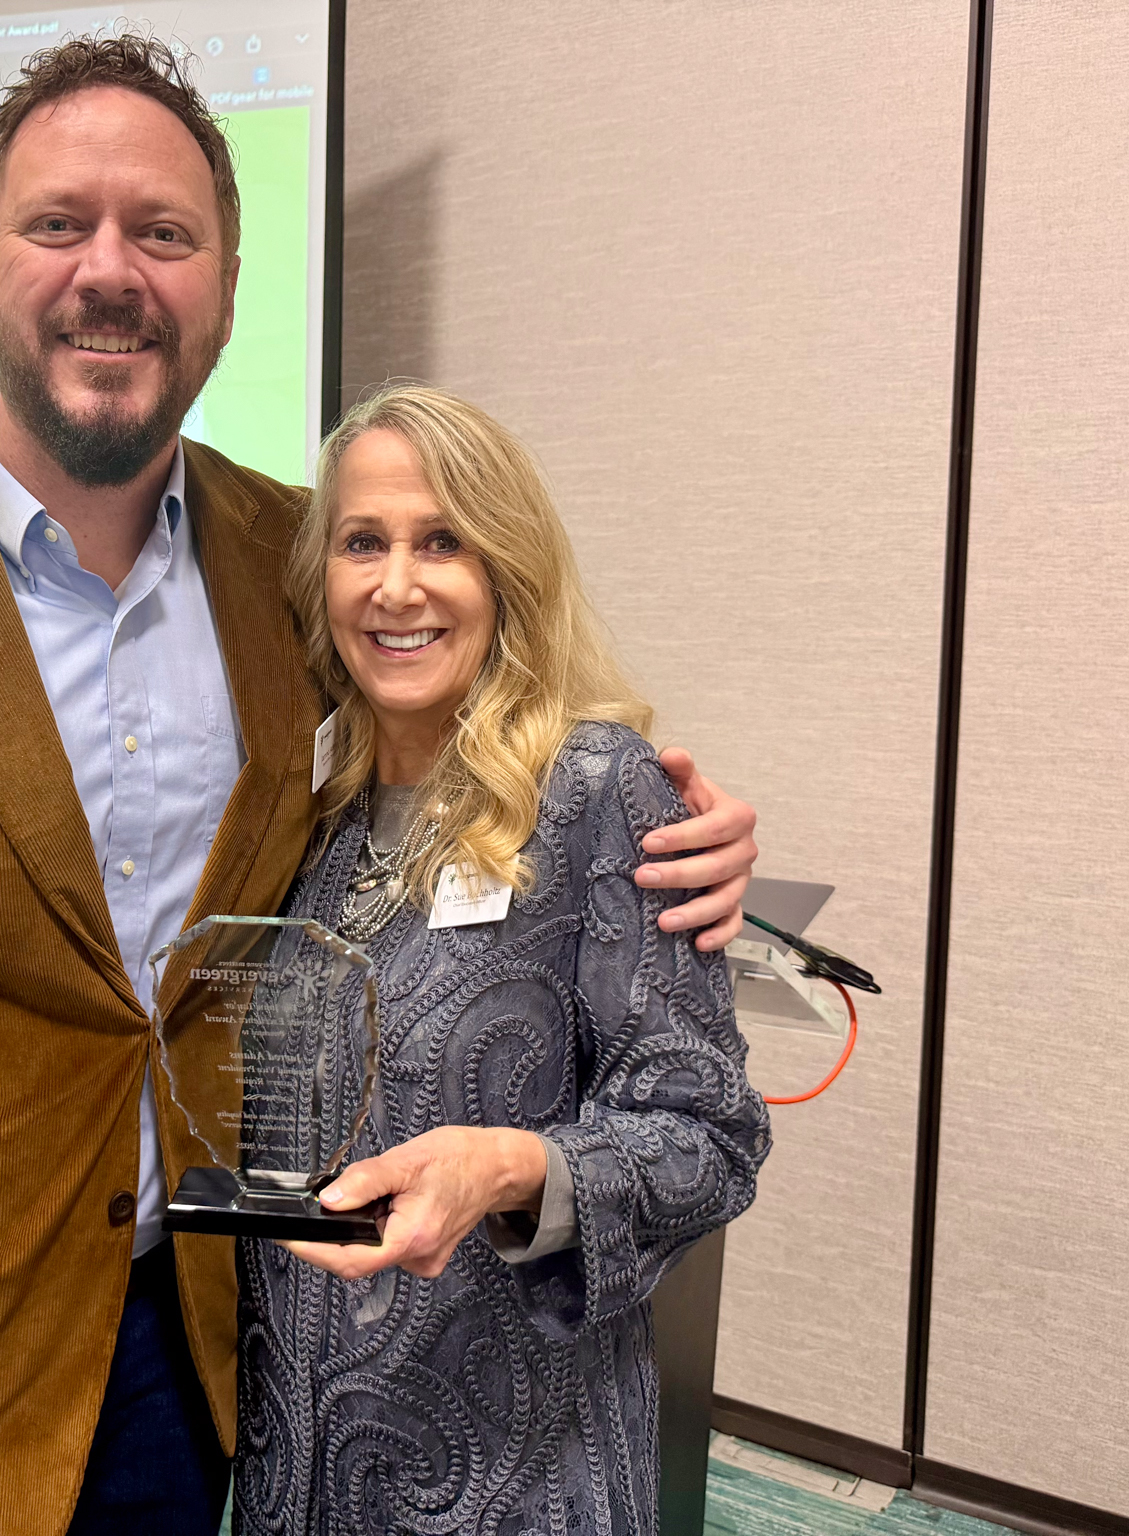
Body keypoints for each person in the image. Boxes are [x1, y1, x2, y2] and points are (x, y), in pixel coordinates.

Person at [0, 35, 760, 1536]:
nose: (111, 271)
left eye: (163, 232)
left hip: (217, 1345)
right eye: (57, 224)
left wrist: (680, 824)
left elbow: (491, 707)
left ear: (221, 289)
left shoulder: (296, 556)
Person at [233, 385, 771, 1536]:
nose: (395, 586)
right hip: (299, 1476)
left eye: (443, 543)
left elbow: (710, 1136)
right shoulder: (301, 817)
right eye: (361, 543)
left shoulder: (593, 794)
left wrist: (514, 1167)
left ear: (505, 573)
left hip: (516, 1474)